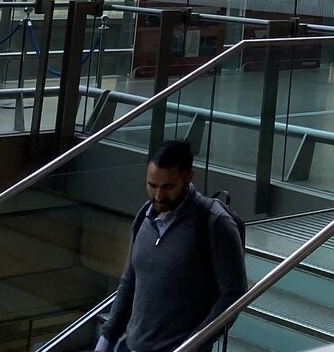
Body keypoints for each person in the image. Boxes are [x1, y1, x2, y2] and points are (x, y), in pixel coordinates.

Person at [97, 139, 246, 352]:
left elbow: (234, 294)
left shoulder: (214, 222)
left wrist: (194, 344)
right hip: (131, 346)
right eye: (152, 185)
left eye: (168, 187)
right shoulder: (144, 216)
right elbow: (130, 280)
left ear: (188, 177)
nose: (159, 196)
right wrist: (107, 338)